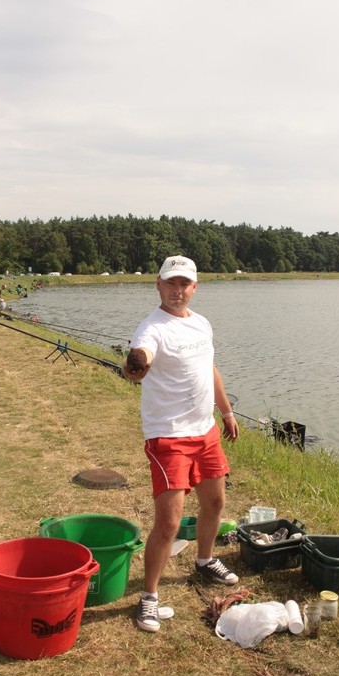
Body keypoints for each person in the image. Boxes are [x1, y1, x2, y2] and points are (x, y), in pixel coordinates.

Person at [122, 255, 240, 633]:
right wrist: (135, 364)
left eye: (184, 284)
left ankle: (204, 560)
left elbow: (210, 369)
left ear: (194, 287)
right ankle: (149, 596)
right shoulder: (151, 329)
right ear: (158, 285)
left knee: (215, 503)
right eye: (171, 283)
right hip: (169, 436)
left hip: (205, 431)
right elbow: (141, 358)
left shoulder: (201, 324)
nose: (177, 290)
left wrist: (226, 411)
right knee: (169, 523)